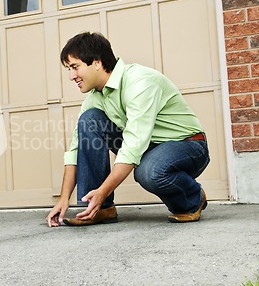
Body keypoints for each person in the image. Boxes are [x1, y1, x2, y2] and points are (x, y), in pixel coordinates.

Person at [46, 32, 210, 227]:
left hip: (187, 145)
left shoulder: (139, 81)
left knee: (149, 172)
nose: (72, 76)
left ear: (97, 62)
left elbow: (133, 145)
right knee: (89, 120)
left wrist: (104, 189)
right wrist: (63, 199)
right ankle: (100, 208)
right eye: (68, 69)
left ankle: (192, 199)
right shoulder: (95, 99)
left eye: (75, 67)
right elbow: (75, 150)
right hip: (148, 147)